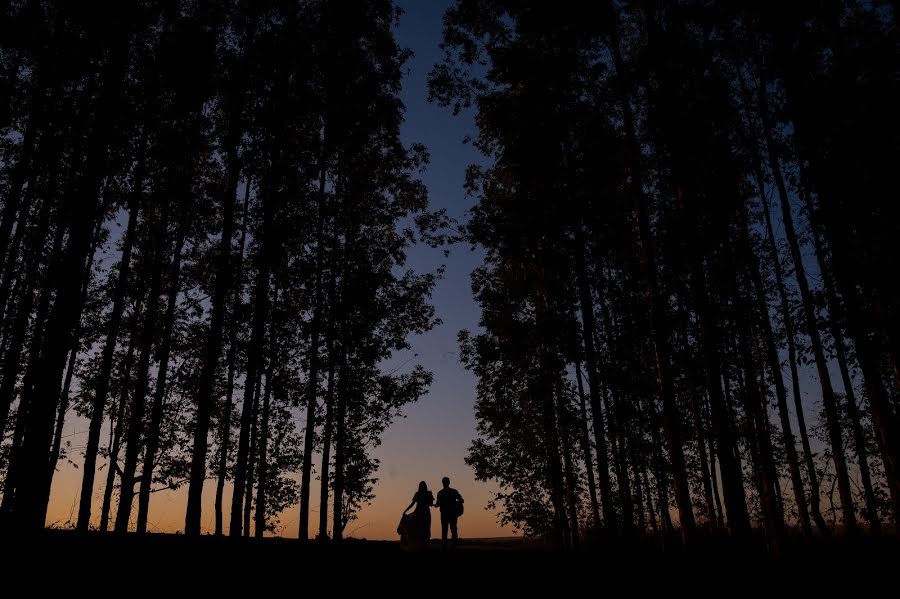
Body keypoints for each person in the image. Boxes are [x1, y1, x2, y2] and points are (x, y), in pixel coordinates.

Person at [402, 481, 434, 550]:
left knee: (417, 528)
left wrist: (406, 510)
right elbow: (431, 504)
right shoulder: (428, 493)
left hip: (419, 513)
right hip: (425, 513)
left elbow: (412, 504)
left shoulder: (418, 494)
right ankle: (425, 545)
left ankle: (419, 545)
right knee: (425, 528)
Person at [434, 476, 464, 549]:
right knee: (453, 529)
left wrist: (436, 505)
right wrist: (455, 504)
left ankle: (444, 546)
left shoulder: (440, 493)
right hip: (453, 513)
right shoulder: (454, 491)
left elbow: (438, 504)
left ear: (442, 483)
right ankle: (454, 545)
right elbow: (462, 500)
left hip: (444, 514)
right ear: (449, 483)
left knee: (444, 530)